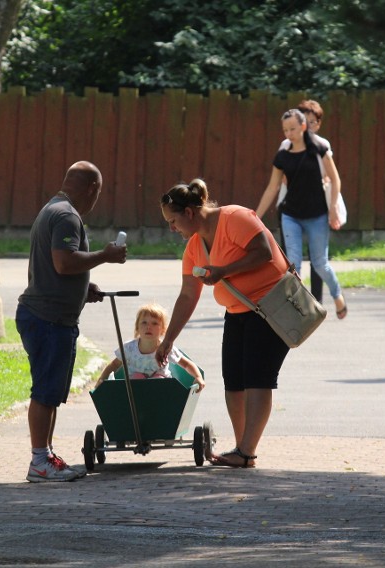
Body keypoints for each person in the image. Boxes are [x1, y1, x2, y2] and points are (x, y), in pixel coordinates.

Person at [156, 179, 291, 468]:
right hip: (237, 311)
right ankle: (242, 449)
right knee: (234, 382)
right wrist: (168, 340)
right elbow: (187, 294)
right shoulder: (194, 246)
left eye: (173, 220)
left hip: (269, 307)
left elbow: (263, 251)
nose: (172, 228)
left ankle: (246, 451)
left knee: (257, 379)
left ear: (190, 212)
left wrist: (224, 271)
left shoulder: (234, 218)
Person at [17, 161, 128, 482]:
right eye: (99, 193)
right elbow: (64, 263)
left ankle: (46, 456)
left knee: (51, 391)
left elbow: (57, 267)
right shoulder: (67, 216)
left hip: (48, 314)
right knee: (45, 391)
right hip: (48, 318)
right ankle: (39, 461)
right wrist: (105, 256)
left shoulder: (53, 208)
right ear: (93, 189)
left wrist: (83, 288)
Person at [257, 109, 348, 319]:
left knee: (320, 263)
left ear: (303, 126)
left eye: (293, 129)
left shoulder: (319, 148)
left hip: (317, 215)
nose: (289, 134)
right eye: (285, 130)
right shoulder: (282, 156)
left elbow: (335, 179)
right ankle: (300, 310)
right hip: (291, 215)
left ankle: (337, 295)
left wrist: (333, 207)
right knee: (293, 264)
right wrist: (256, 216)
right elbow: (272, 188)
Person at [275, 100, 331, 302]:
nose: (309, 125)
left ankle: (317, 301)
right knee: (290, 259)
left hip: (316, 208)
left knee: (318, 259)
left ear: (317, 124)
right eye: (305, 120)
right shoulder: (286, 145)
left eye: (313, 121)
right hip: (289, 208)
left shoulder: (322, 145)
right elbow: (280, 176)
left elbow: (328, 175)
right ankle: (293, 302)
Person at [94, 302, 205, 390]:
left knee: (159, 380)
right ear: (137, 327)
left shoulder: (166, 348)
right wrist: (101, 380)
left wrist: (198, 377)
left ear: (163, 329)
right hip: (136, 391)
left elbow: (186, 364)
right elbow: (114, 365)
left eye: (154, 323)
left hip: (162, 390)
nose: (148, 327)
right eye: (144, 323)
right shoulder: (129, 349)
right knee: (136, 378)